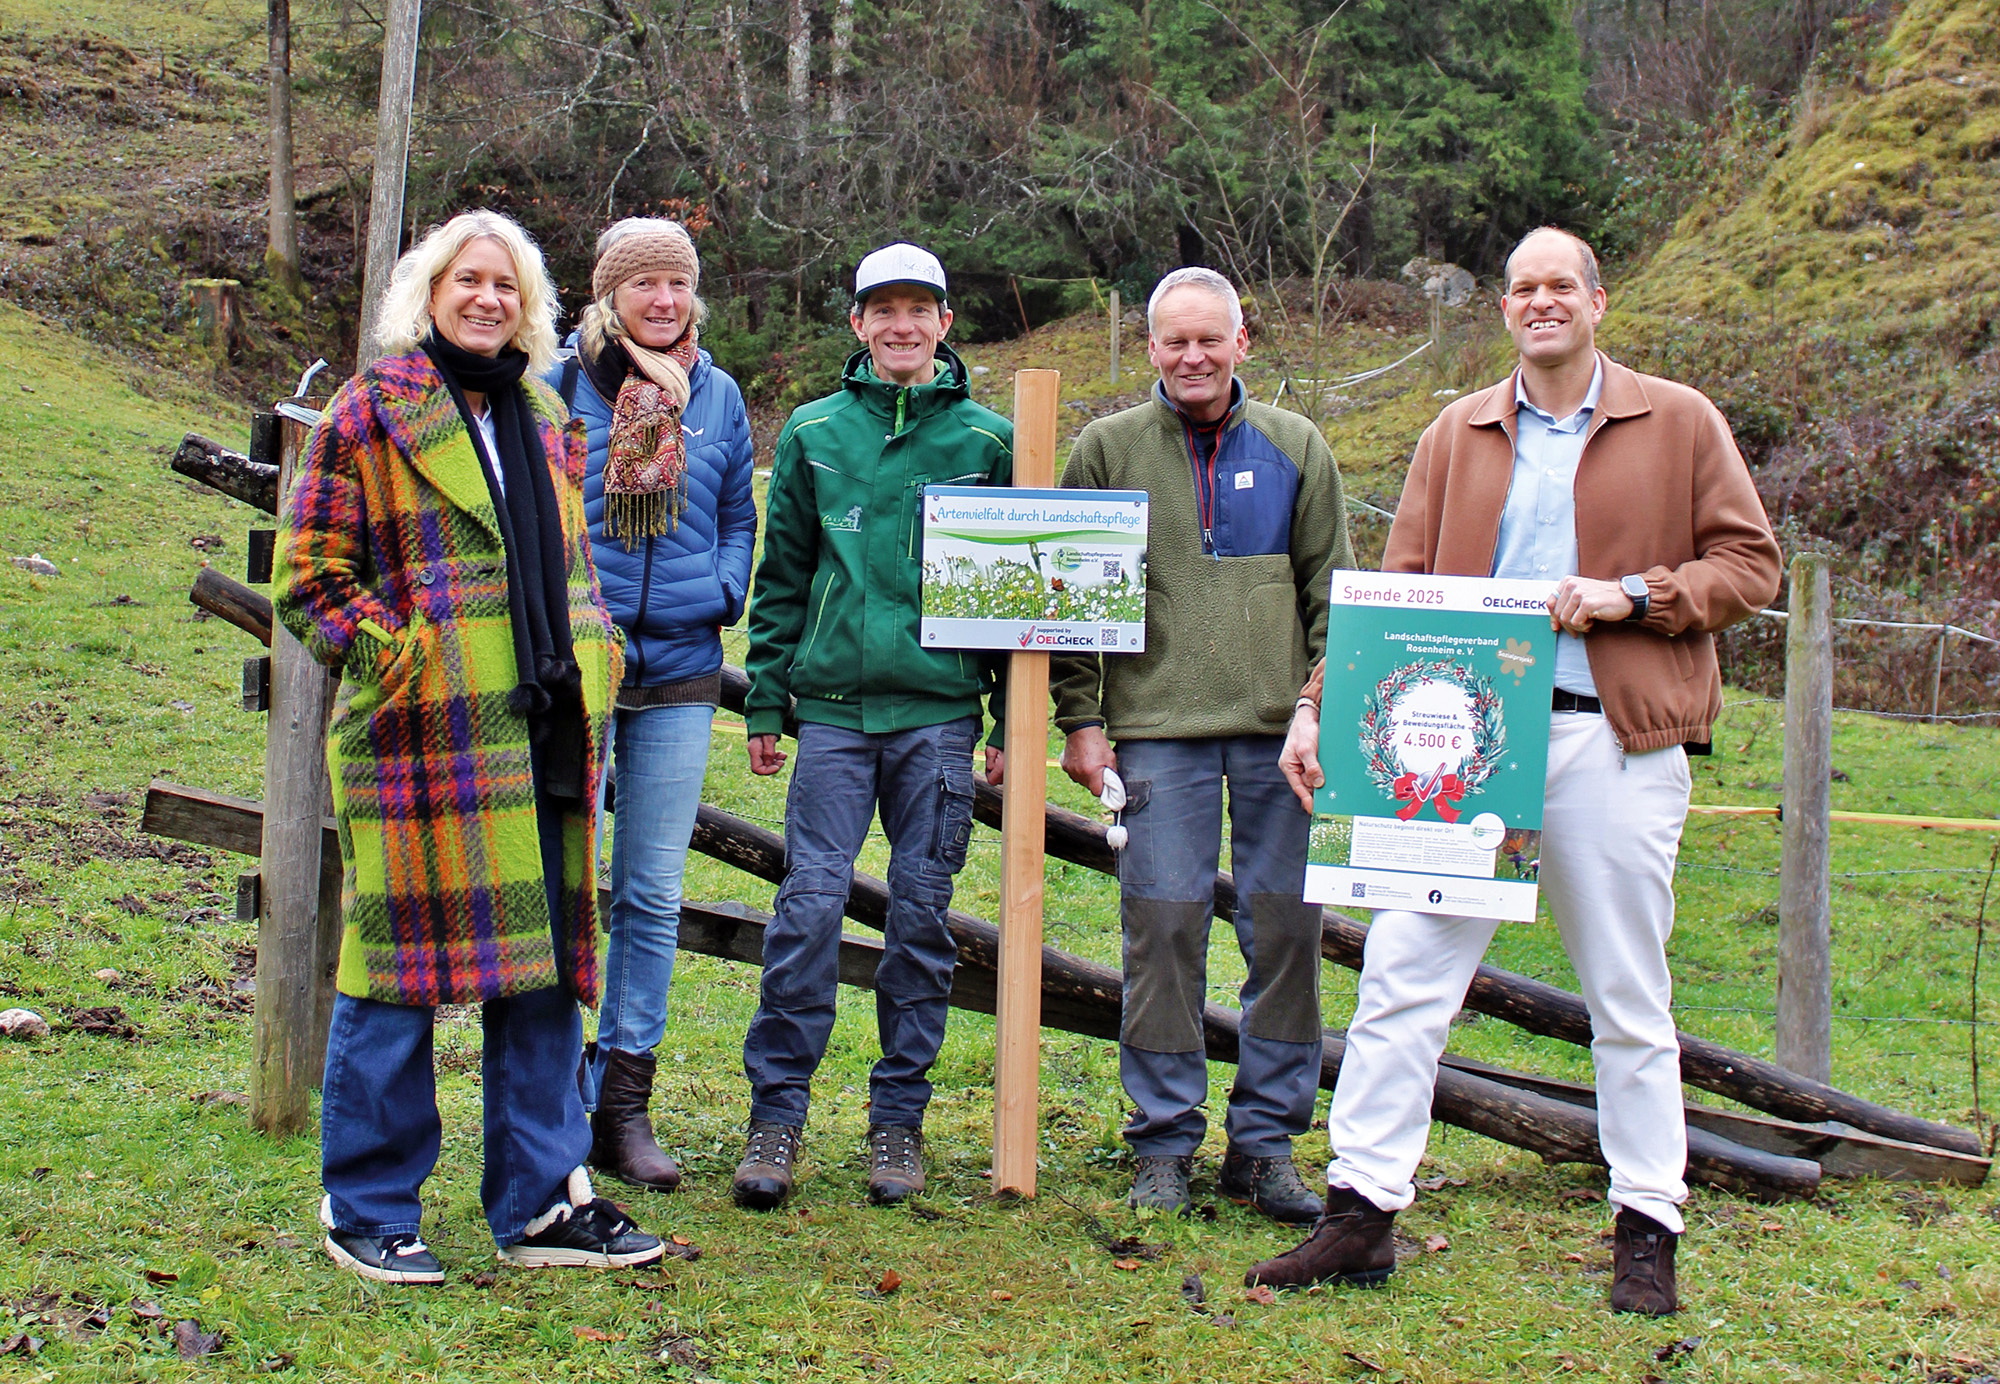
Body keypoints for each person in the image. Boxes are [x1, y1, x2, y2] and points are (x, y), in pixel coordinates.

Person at [1246, 227, 1782, 1315]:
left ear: (1595, 301)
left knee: (1624, 992)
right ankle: (1360, 1210)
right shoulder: (1457, 432)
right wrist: (1316, 705)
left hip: (1612, 738)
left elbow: (1750, 564)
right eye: (1521, 289)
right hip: (1459, 747)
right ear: (1503, 309)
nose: (1541, 303)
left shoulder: (1674, 420)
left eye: (1559, 287)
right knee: (1401, 977)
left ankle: (1646, 1223)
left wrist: (1633, 595)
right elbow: (1392, 592)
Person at [276, 209, 665, 1283]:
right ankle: (366, 1205)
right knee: (396, 976)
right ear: (430, 290)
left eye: (507, 285)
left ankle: (540, 1202)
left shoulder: (544, 413)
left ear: (529, 308)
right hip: (425, 739)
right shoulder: (367, 413)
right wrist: (402, 660)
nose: (488, 298)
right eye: (468, 279)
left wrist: (598, 650)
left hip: (541, 729)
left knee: (542, 977)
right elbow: (309, 579)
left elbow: (572, 565)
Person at [1051, 266, 1353, 1224]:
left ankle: (1266, 1144)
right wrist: (1083, 719)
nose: (1192, 356)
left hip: (1280, 744)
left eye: (1209, 339)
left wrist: (1316, 702)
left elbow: (1331, 595)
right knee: (1165, 932)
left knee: (1286, 938)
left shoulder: (1298, 445)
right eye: (1174, 341)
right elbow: (1071, 599)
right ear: (1150, 349)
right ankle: (1165, 1141)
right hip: (1155, 736)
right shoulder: (1105, 449)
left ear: (1241, 342)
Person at [734, 242, 1012, 1209]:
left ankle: (899, 1120)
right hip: (836, 720)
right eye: (881, 309)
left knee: (921, 916)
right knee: (809, 902)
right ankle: (777, 1113)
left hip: (938, 717)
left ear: (945, 323)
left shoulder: (990, 444)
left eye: (919, 309)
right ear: (856, 324)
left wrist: (1010, 722)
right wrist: (768, 696)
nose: (901, 325)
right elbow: (780, 581)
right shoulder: (814, 434)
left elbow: (1027, 597)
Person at [547, 218, 757, 1192]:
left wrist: (719, 590)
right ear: (608, 294)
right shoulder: (555, 383)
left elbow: (735, 517)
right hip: (575, 665)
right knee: (562, 882)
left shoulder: (715, 393)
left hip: (679, 666)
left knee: (649, 893)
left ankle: (621, 1108)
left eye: (677, 282)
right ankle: (549, 1097)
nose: (663, 301)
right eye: (644, 285)